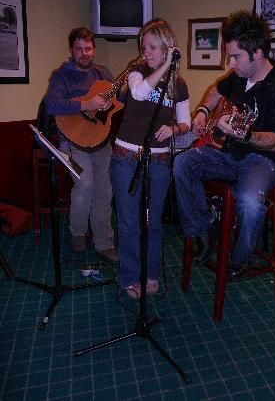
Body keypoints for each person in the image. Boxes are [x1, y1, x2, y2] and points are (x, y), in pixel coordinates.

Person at [173, 10, 275, 280]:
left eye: (236, 56)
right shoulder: (240, 77)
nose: (231, 63)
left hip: (262, 161)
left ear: (257, 53)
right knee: (184, 162)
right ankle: (205, 228)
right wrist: (203, 111)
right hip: (230, 155)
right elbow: (217, 90)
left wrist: (245, 135)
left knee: (249, 203)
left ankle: (240, 259)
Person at [111, 18, 191, 299]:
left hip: (158, 161)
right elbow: (139, 92)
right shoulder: (136, 72)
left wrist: (174, 128)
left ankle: (151, 273)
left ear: (167, 47)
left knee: (152, 222)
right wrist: (165, 66)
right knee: (129, 222)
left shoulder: (178, 85)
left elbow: (186, 123)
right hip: (126, 158)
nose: (147, 53)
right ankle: (130, 276)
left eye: (153, 47)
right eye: (144, 47)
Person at [44, 27, 118, 263]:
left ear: (93, 49)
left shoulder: (103, 73)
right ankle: (78, 232)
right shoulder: (61, 76)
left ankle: (104, 242)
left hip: (100, 138)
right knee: (85, 185)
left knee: (105, 190)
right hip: (72, 139)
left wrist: (110, 103)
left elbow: (119, 101)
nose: (85, 53)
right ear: (71, 51)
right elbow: (52, 106)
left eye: (88, 48)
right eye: (79, 49)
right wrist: (85, 104)